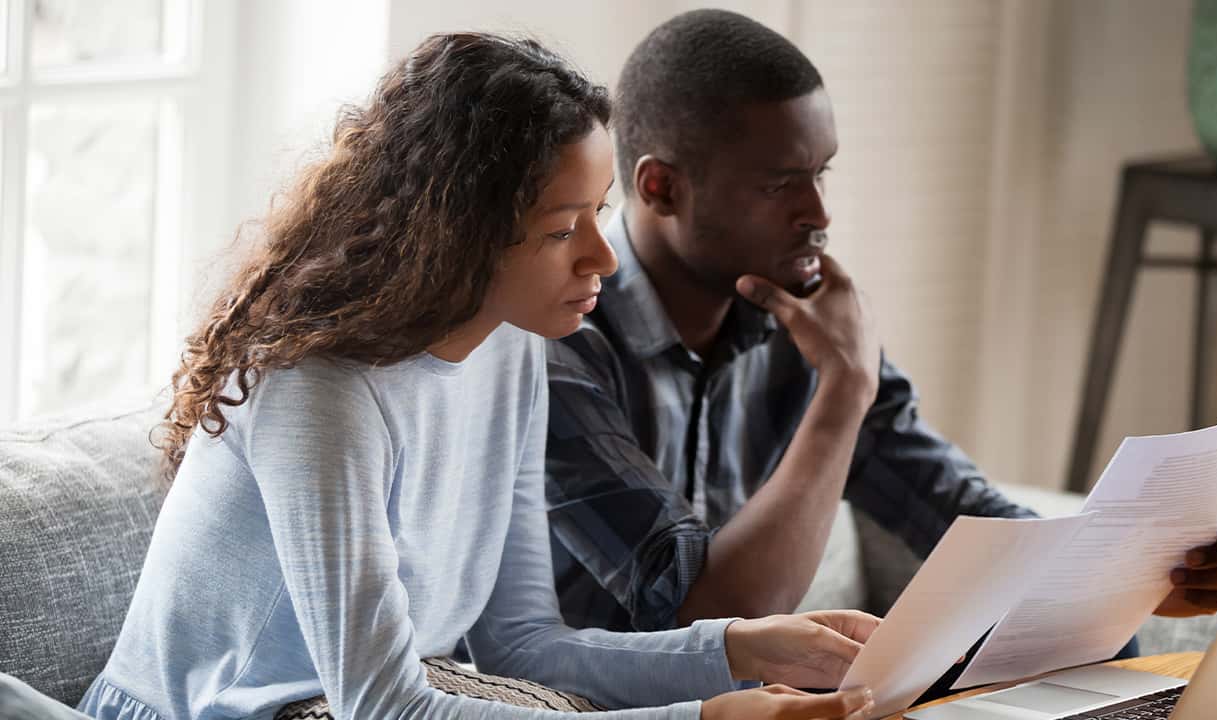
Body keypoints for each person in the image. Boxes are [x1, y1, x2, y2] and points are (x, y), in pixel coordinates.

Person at [70, 32, 881, 720]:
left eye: (598, 213)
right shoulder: (320, 392)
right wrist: (703, 715)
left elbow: (523, 647)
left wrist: (743, 648)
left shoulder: (516, 352)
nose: (602, 258)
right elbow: (383, 706)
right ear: (457, 234)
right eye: (562, 230)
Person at [544, 7, 1217, 644]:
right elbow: (707, 621)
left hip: (772, 700)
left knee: (1101, 660)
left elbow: (954, 510)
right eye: (779, 184)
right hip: (591, 702)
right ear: (661, 187)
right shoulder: (560, 345)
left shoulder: (798, 317)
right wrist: (844, 389)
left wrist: (1138, 572)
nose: (818, 213)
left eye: (821, 173)